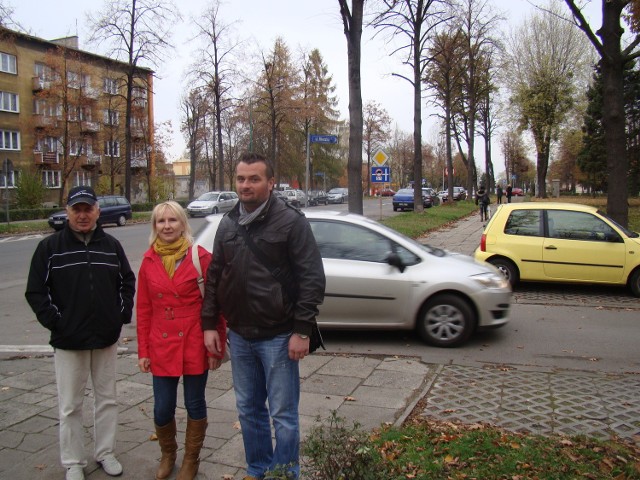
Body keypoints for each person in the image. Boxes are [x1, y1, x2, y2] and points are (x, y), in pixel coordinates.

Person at [201, 152, 326, 480]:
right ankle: (258, 471)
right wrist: (209, 324)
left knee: (283, 416)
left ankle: (284, 474)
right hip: (240, 336)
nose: (246, 185)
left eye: (254, 178)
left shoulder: (291, 222)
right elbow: (215, 275)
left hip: (278, 336)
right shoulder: (228, 222)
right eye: (241, 179)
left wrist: (302, 331)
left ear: (270, 183)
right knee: (249, 410)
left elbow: (312, 279)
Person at [25, 186, 135, 480]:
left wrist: (120, 316)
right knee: (70, 405)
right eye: (77, 209)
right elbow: (36, 291)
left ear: (97, 211)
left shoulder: (111, 246)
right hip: (68, 340)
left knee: (107, 399)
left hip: (105, 337)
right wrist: (57, 322)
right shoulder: (50, 248)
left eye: (88, 209)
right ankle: (73, 460)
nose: (83, 215)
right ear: (68, 211)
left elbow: (126, 281)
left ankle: (105, 453)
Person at [136, 201, 227, 480]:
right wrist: (143, 350)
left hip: (194, 340)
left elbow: (216, 305)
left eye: (172, 220)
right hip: (161, 343)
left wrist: (217, 347)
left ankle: (191, 459)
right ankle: (168, 454)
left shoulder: (200, 257)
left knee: (194, 403)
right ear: (155, 226)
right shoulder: (149, 260)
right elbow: (144, 309)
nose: (166, 226)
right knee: (162, 407)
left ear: (182, 224)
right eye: (161, 221)